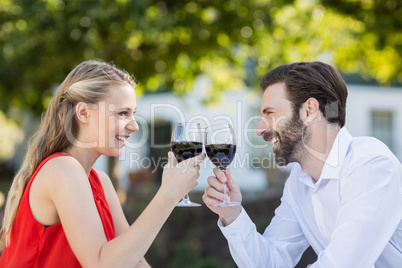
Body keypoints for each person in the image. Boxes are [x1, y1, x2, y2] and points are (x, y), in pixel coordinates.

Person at [0, 59, 205, 267]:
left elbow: (134, 261)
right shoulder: (61, 169)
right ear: (83, 113)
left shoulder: (101, 182)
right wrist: (169, 194)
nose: (134, 126)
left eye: (133, 114)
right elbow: (101, 264)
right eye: (123, 113)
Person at [202, 61, 402, 267]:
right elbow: (271, 262)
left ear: (309, 110)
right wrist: (232, 214)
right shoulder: (299, 181)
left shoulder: (371, 165)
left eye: (270, 114)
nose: (259, 130)